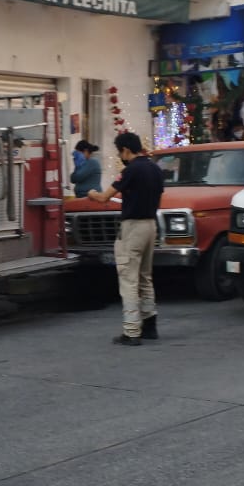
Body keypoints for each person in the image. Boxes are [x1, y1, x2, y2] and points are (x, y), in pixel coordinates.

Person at [87, 131, 164, 346]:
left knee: (129, 279)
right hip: (151, 224)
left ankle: (131, 331)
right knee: (145, 277)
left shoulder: (131, 170)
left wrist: (92, 194)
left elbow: (104, 197)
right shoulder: (156, 169)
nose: (120, 155)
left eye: (119, 151)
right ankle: (150, 324)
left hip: (133, 227)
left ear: (126, 150)